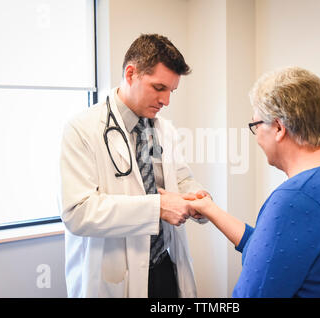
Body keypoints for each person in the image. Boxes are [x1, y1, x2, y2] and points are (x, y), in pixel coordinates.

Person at [185, 67, 320, 297]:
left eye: (256, 125)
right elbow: (272, 251)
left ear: (279, 128)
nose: (257, 136)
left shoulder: (297, 197)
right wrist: (210, 210)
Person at [59, 34, 208, 298]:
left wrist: (197, 197)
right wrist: (157, 207)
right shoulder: (81, 130)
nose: (166, 101)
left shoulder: (165, 130)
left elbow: (180, 178)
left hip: (164, 268)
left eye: (171, 91)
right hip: (114, 277)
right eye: (159, 87)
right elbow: (78, 213)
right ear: (131, 74)